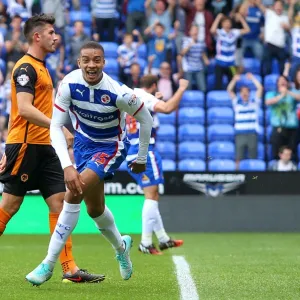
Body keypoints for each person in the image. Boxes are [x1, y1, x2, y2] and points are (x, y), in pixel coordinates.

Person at [26, 41, 153, 285]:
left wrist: (141, 157)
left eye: (97, 60)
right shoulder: (69, 84)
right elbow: (55, 125)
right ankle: (121, 247)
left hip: (110, 147)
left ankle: (48, 264)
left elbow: (146, 119)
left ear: (104, 63)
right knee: (95, 209)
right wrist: (67, 165)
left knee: (73, 193)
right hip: (84, 146)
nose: (91, 65)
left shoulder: (120, 93)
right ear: (79, 62)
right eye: (86, 60)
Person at [0, 14, 104, 284]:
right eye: (50, 33)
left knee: (60, 203)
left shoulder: (42, 67)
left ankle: (69, 269)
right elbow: (23, 109)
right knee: (10, 206)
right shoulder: (25, 68)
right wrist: (59, 127)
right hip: (25, 145)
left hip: (45, 147)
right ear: (37, 36)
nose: (56, 37)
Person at [123, 75, 188, 255]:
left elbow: (142, 116)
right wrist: (181, 88)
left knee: (153, 195)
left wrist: (154, 100)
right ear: (153, 86)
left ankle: (163, 239)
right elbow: (168, 108)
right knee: (151, 196)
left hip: (131, 152)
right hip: (145, 152)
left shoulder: (130, 96)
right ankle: (145, 242)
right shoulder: (146, 98)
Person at [227, 73, 263, 170]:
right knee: (238, 159)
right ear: (240, 93)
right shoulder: (237, 103)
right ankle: (237, 179)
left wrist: (253, 78)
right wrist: (234, 80)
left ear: (249, 93)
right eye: (242, 92)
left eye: (246, 91)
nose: (244, 93)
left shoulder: (254, 103)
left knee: (253, 159)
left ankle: (254, 179)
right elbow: (229, 90)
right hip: (240, 134)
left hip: (252, 134)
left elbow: (260, 88)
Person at [210, 13, 250, 90]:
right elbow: (212, 30)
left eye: (229, 23)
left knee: (233, 86)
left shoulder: (234, 32)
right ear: (222, 24)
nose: (227, 25)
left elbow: (247, 30)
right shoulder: (219, 32)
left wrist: (241, 19)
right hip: (220, 63)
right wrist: (218, 18)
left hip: (231, 64)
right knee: (218, 85)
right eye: (225, 23)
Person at [265, 75, 300, 159]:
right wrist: (281, 95)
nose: (282, 82)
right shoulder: (272, 93)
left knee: (292, 153)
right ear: (277, 84)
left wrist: (288, 92)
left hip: (292, 129)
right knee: (277, 153)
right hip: (278, 128)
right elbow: (268, 102)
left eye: (284, 80)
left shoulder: (293, 92)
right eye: (280, 80)